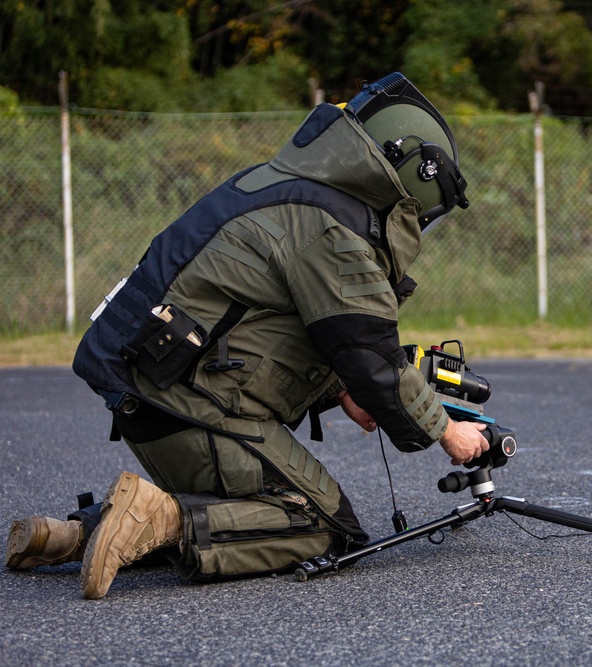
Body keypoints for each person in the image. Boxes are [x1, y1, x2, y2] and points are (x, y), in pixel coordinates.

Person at [4, 73, 489, 599]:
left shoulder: (280, 188)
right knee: (318, 525)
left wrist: (339, 390)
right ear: (409, 185)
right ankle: (158, 517)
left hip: (153, 402)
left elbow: (266, 323)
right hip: (192, 410)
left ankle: (77, 535)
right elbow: (370, 352)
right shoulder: (336, 228)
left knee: (253, 511)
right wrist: (446, 431)